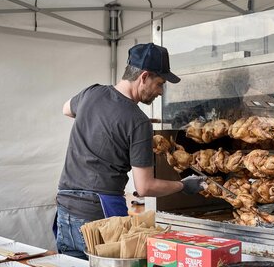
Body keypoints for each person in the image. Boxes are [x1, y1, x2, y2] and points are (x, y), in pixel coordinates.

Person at [55, 43, 205, 259]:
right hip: (100, 218)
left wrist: (106, 131)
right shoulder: (137, 121)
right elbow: (145, 187)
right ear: (143, 77)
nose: (161, 92)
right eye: (160, 83)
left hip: (66, 209)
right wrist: (183, 185)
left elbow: (66, 109)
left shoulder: (91, 93)